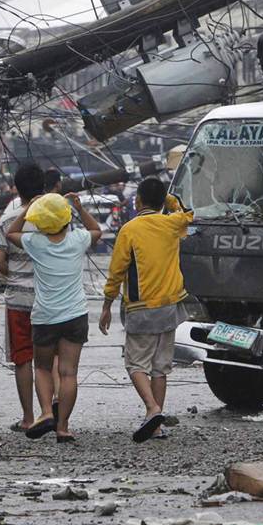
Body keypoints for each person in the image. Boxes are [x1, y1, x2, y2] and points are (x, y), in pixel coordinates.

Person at [99, 178, 193, 443]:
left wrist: (106, 305)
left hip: (141, 307)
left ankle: (152, 409)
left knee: (135, 364)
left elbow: (116, 272)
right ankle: (156, 426)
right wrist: (171, 200)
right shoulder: (173, 224)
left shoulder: (129, 229)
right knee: (160, 368)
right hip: (169, 306)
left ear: (138, 200)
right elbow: (188, 214)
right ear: (163, 201)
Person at [8, 192, 102, 443]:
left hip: (45, 317)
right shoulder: (78, 239)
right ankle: (63, 428)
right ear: (66, 218)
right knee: (68, 372)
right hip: (75, 315)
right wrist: (80, 208)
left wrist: (28, 209)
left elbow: (10, 234)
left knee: (42, 367)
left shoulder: (35, 243)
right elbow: (96, 230)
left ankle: (47, 412)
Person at [0, 163, 44, 431]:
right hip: (50, 298)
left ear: (17, 189)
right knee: (50, 358)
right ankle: (52, 412)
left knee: (23, 358)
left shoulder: (6, 221)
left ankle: (28, 418)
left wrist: (15, 274)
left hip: (18, 300)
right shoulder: (55, 218)